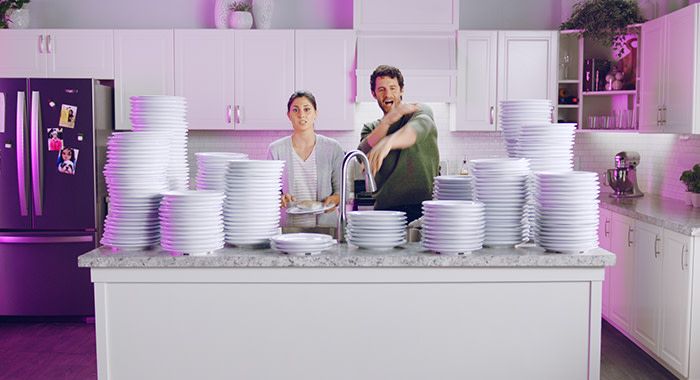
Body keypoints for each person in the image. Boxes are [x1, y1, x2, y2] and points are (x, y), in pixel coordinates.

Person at [358, 65, 439, 223]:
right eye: (381, 89)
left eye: (393, 88)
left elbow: (417, 129)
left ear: (401, 90)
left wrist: (388, 142)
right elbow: (362, 153)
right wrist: (388, 121)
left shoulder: (418, 111)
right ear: (373, 94)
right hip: (385, 211)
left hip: (423, 209)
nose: (387, 94)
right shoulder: (371, 128)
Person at [267, 91, 345, 227]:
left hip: (326, 230)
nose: (301, 115)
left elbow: (342, 191)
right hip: (289, 230)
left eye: (307, 109)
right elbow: (269, 191)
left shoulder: (333, 148)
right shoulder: (276, 150)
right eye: (295, 110)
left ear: (316, 113)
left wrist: (334, 200)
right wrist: (279, 198)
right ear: (289, 115)